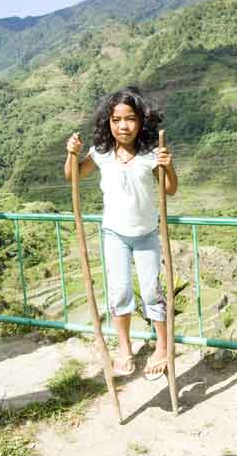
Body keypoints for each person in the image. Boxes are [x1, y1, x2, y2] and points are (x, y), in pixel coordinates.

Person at [64, 86, 178, 380]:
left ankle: (163, 346)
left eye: (129, 119)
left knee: (153, 290)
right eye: (116, 120)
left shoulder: (150, 154)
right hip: (114, 234)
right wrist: (71, 154)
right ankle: (125, 349)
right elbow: (74, 175)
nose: (123, 126)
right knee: (120, 291)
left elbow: (170, 189)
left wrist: (168, 166)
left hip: (146, 234)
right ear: (108, 122)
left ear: (141, 121)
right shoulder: (100, 153)